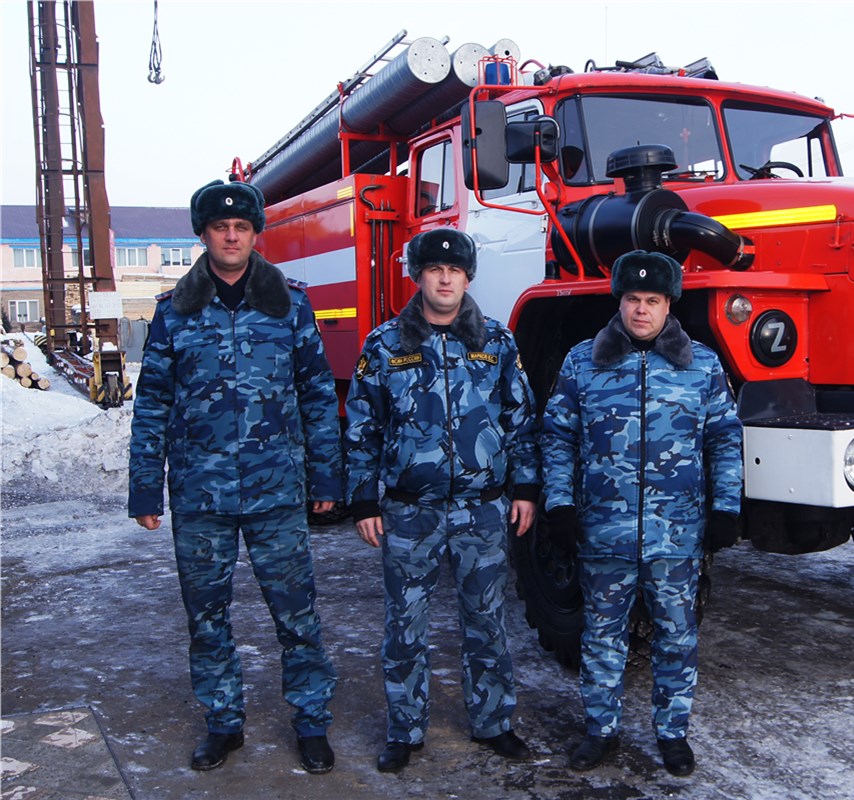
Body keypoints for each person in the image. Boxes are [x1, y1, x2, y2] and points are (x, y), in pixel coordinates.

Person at [127, 179, 341, 774]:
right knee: (207, 615)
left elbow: (318, 396)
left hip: (277, 491)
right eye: (220, 228)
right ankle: (223, 722)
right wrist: (145, 487)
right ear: (203, 235)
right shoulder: (174, 313)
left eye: (241, 227)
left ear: (254, 235)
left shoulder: (289, 305)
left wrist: (326, 481)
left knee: (296, 613)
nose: (230, 235)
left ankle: (311, 721)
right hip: (201, 494)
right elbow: (152, 404)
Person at [343, 227, 539, 773]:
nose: (445, 277)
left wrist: (525, 490)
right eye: (434, 269)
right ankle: (405, 730)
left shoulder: (496, 342)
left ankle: (494, 722)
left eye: (455, 270)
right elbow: (362, 428)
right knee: (405, 624)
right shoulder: (386, 345)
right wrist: (364, 501)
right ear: (419, 276)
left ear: (467, 277)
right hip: (411, 510)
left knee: (487, 619)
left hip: (482, 507)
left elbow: (521, 421)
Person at [541, 250, 743, 777]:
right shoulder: (583, 361)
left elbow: (724, 439)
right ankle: (599, 731)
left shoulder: (700, 365)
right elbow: (558, 437)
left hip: (676, 536)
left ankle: (672, 734)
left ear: (669, 304)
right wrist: (559, 504)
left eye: (652, 300)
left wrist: (726, 508)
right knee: (602, 636)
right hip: (602, 532)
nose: (641, 310)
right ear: (620, 301)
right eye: (632, 299)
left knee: (677, 636)